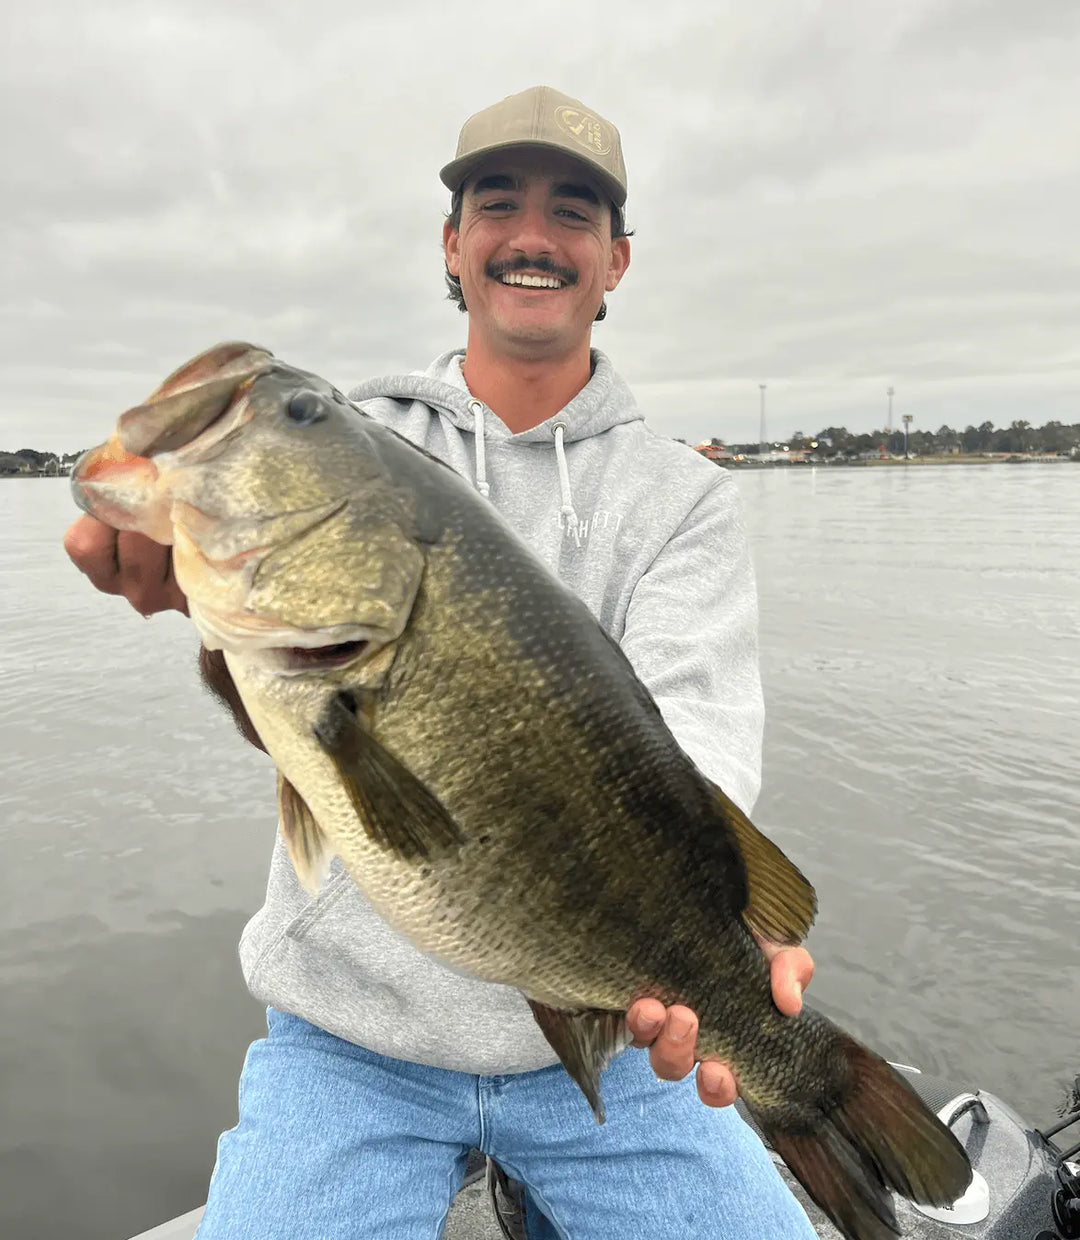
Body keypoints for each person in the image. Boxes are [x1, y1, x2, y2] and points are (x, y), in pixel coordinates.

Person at [65, 86, 817, 1239]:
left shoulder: (682, 500)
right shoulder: (375, 436)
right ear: (453, 246)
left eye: (573, 212)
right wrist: (213, 620)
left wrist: (730, 956)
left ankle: (825, 1101)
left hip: (616, 1050)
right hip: (350, 1040)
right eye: (496, 202)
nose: (532, 233)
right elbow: (286, 706)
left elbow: (695, 748)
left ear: (616, 260)